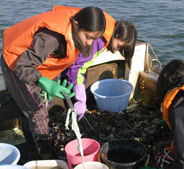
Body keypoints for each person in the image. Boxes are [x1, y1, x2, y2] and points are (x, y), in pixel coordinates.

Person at [1, 6, 106, 159]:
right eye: (88, 37)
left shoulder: (74, 35)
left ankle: (32, 142)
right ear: (76, 24)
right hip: (15, 64)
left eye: (94, 39)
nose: (89, 43)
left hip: (36, 64)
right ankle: (43, 156)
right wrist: (43, 81)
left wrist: (54, 80)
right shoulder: (51, 38)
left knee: (40, 103)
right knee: (38, 113)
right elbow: (22, 66)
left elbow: (57, 59)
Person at [54, 6, 138, 121]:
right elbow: (76, 66)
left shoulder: (106, 35)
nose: (117, 50)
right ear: (116, 36)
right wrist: (80, 97)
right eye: (119, 46)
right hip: (56, 63)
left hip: (64, 62)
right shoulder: (99, 40)